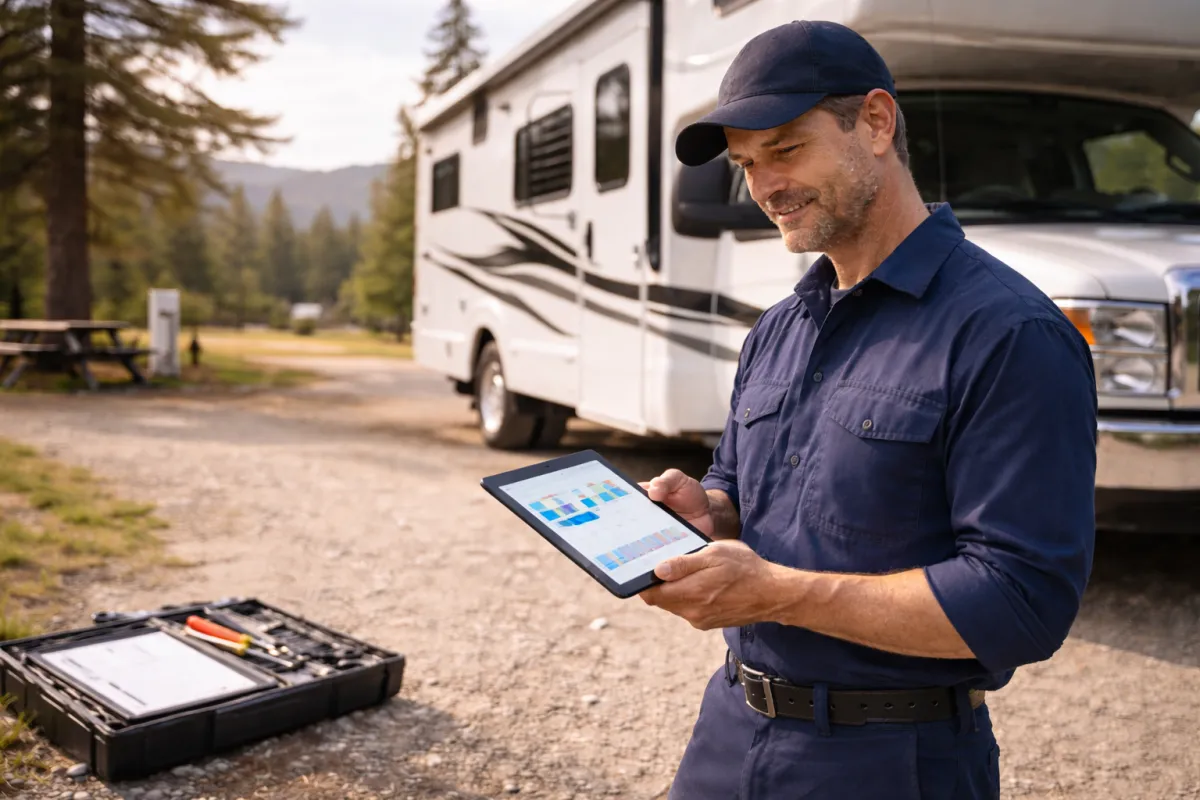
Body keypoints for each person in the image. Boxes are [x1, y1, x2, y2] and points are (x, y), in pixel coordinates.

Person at [639, 19, 1098, 800]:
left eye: (786, 149)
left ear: (876, 123)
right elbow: (744, 490)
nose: (765, 187)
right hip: (729, 732)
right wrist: (709, 512)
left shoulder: (1009, 334)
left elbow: (1020, 603)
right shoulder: (779, 328)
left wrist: (778, 592)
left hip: (893, 760)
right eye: (747, 165)